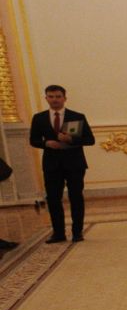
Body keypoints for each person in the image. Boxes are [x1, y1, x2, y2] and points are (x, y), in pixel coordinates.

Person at [28, 84, 92, 242]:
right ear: (46, 98)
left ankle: (77, 232)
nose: (54, 100)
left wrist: (71, 139)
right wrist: (46, 144)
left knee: (76, 197)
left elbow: (90, 140)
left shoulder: (77, 116)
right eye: (51, 96)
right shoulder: (39, 118)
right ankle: (58, 233)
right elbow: (33, 140)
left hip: (74, 164)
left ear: (64, 98)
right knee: (53, 198)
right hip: (52, 164)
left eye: (58, 96)